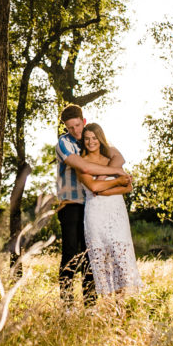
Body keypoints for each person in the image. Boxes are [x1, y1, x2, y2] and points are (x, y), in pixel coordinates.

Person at [55, 104, 130, 304]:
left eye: (78, 125)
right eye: (70, 128)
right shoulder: (64, 144)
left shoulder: (91, 138)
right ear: (66, 128)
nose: (75, 131)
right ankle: (67, 304)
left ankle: (90, 304)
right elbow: (85, 166)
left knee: (92, 255)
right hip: (71, 204)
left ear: (84, 121)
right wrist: (114, 174)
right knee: (71, 254)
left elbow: (118, 156)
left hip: (93, 204)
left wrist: (103, 176)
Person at [77, 123, 142, 296]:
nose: (91, 142)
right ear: (83, 141)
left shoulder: (110, 161)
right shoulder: (81, 163)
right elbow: (93, 186)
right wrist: (115, 182)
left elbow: (127, 187)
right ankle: (107, 310)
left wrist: (106, 191)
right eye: (87, 138)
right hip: (96, 214)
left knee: (120, 259)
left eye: (94, 138)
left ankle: (120, 309)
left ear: (101, 139)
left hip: (116, 211)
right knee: (102, 261)